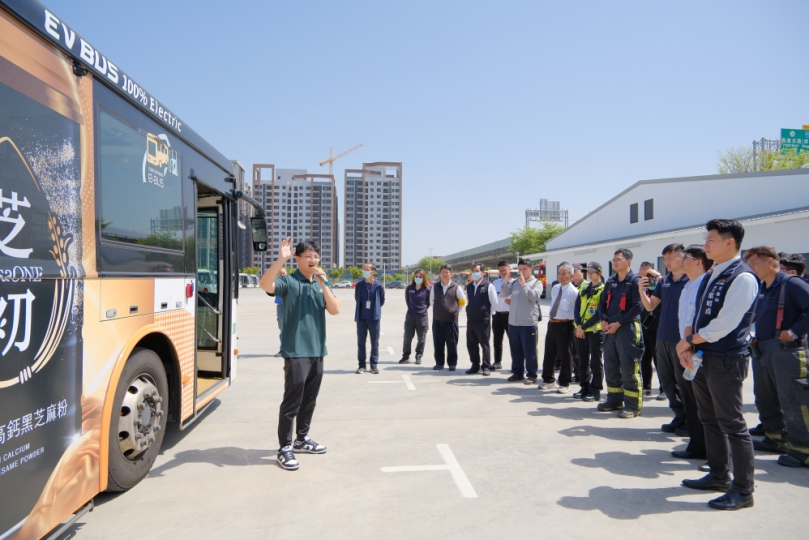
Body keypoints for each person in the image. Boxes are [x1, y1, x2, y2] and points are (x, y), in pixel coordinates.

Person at [676, 219, 758, 510]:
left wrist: (691, 342)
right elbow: (696, 312)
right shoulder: (713, 274)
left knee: (733, 425)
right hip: (702, 357)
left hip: (725, 359)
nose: (705, 244)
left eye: (711, 240)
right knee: (709, 418)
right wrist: (688, 342)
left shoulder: (742, 277)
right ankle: (718, 475)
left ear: (729, 243)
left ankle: (743, 490)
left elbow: (725, 323)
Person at [259, 238, 340, 471]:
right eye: (308, 256)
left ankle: (301, 439)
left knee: (310, 400)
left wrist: (324, 282)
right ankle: (284, 448)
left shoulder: (320, 283)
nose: (313, 259)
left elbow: (335, 310)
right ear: (298, 259)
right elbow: (265, 284)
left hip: (317, 349)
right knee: (292, 402)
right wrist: (280, 259)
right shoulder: (289, 281)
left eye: (316, 256)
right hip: (296, 351)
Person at [745, 246, 809, 468]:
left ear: (771, 261)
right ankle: (775, 438)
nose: (751, 268)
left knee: (793, 401)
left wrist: (793, 332)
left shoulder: (792, 283)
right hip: (763, 349)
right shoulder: (764, 287)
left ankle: (803, 450)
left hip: (787, 351)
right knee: (766, 397)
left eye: (755, 263)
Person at [639, 245, 693, 437]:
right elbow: (651, 306)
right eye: (665, 258)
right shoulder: (665, 282)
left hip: (681, 340)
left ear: (682, 258)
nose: (667, 261)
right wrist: (642, 291)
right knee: (667, 380)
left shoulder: (692, 280)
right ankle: (678, 415)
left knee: (684, 382)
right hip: (662, 336)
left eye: (671, 257)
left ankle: (690, 419)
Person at [672, 244, 711, 464]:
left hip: (698, 348)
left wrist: (689, 345)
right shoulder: (689, 285)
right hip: (685, 346)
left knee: (705, 404)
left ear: (698, 261)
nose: (681, 260)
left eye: (685, 257)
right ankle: (697, 444)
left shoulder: (705, 285)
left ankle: (710, 451)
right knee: (690, 399)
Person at [597, 248, 645, 418]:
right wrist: (603, 319)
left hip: (628, 328)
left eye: (618, 259)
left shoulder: (636, 281)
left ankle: (632, 406)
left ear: (628, 261)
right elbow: (602, 303)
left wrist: (618, 323)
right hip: (610, 329)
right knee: (610, 365)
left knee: (628, 367)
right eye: (614, 260)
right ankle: (614, 399)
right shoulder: (610, 281)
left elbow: (638, 306)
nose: (615, 262)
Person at [502, 258, 543, 383]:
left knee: (530, 350)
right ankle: (517, 372)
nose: (522, 271)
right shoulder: (514, 283)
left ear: (531, 269)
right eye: (520, 269)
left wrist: (524, 285)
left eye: (525, 269)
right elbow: (503, 294)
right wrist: (506, 281)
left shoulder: (537, 283)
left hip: (528, 323)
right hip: (513, 323)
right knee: (515, 350)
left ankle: (531, 374)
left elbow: (534, 296)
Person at [539, 262, 578, 393]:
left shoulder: (574, 292)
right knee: (549, 353)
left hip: (565, 325)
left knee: (566, 354)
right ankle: (549, 380)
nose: (561, 276)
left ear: (571, 275)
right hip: (552, 323)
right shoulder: (555, 288)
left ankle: (565, 382)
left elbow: (576, 312)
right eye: (559, 273)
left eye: (564, 273)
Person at [573, 262, 606, 401]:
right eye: (588, 272)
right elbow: (576, 308)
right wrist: (579, 326)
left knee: (596, 362)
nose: (590, 274)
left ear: (599, 272)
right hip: (581, 329)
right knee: (582, 360)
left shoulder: (603, 290)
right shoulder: (584, 287)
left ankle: (596, 390)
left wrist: (584, 326)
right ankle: (584, 387)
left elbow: (600, 313)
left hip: (594, 330)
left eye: (593, 271)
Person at [464, 263, 499, 376]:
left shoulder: (488, 285)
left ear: (483, 272)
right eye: (473, 270)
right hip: (471, 320)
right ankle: (475, 365)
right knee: (471, 344)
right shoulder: (469, 286)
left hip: (483, 320)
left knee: (484, 344)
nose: (475, 273)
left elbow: (494, 303)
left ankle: (486, 366)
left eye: (477, 270)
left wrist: (487, 315)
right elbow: (468, 301)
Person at [431, 264, 467, 371]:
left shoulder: (456, 287)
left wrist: (455, 311)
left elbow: (462, 301)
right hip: (437, 320)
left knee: (452, 343)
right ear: (440, 274)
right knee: (438, 343)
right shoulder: (435, 286)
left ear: (451, 274)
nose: (445, 274)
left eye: (447, 272)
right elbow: (432, 301)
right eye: (443, 272)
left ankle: (452, 363)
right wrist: (440, 309)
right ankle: (439, 363)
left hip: (451, 321)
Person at [638, 261, 663, 400]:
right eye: (646, 273)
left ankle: (663, 388)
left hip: (656, 326)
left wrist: (658, 277)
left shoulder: (659, 286)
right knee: (644, 357)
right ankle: (646, 386)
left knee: (658, 359)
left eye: (650, 274)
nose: (648, 277)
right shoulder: (640, 286)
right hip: (643, 325)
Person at [355, 263, 385, 374]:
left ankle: (374, 366)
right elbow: (357, 299)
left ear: (373, 272)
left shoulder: (378, 286)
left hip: (374, 319)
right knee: (361, 343)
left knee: (375, 343)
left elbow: (381, 300)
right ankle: (361, 365)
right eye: (364, 269)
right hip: (361, 319)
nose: (365, 271)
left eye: (367, 269)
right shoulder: (359, 285)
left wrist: (375, 310)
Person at [399, 269, 430, 365]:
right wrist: (413, 309)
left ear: (423, 278)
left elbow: (428, 303)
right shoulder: (409, 288)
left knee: (421, 338)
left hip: (422, 316)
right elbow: (407, 301)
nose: (418, 278)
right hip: (410, 315)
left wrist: (422, 309)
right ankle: (405, 356)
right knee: (408, 337)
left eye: (420, 277)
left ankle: (418, 356)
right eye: (416, 276)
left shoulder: (427, 289)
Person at [491, 261, 512, 371]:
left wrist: (501, 299)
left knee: (513, 341)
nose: (503, 272)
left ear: (510, 270)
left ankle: (516, 363)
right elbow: (494, 299)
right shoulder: (495, 283)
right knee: (497, 340)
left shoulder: (515, 283)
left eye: (505, 270)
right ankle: (497, 362)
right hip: (497, 315)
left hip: (510, 316)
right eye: (501, 270)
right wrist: (504, 299)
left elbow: (512, 301)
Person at [275, 267, 288, 357]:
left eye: (284, 273)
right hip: (281, 307)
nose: (282, 275)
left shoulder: (290, 282)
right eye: (280, 273)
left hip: (290, 307)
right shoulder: (276, 283)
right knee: (283, 329)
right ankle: (283, 349)